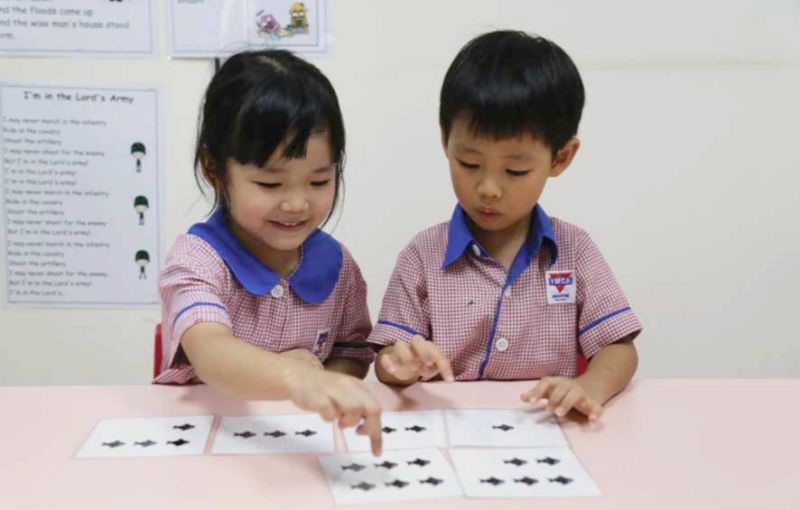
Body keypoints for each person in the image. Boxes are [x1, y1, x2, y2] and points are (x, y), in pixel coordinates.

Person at [369, 31, 642, 423]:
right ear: (446, 141)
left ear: (561, 158)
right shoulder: (422, 254)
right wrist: (397, 364)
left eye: (515, 170)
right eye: (469, 164)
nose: (489, 189)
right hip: (447, 429)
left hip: (547, 426)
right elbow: (386, 359)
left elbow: (619, 348)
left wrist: (588, 387)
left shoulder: (574, 250)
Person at [154, 50, 382, 454]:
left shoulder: (339, 266)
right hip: (205, 446)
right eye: (270, 184)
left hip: (294, 448)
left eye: (318, 181)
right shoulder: (197, 260)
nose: (296, 204)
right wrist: (293, 379)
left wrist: (327, 376)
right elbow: (210, 350)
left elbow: (352, 351)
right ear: (214, 169)